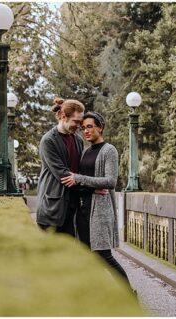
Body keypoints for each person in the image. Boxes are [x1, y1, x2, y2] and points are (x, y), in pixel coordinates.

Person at [60, 111, 129, 282]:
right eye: (83, 128)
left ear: (100, 127)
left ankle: (129, 296)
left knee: (104, 256)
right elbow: (83, 185)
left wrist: (79, 178)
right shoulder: (85, 152)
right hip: (84, 212)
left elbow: (110, 181)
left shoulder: (109, 150)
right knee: (87, 256)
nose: (86, 131)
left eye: (90, 127)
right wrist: (89, 187)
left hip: (100, 212)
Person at [35, 98, 85, 236]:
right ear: (63, 117)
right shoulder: (48, 140)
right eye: (76, 121)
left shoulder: (78, 140)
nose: (79, 125)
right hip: (52, 209)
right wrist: (92, 186)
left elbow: (78, 171)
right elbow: (63, 175)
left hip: (72, 207)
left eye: (80, 122)